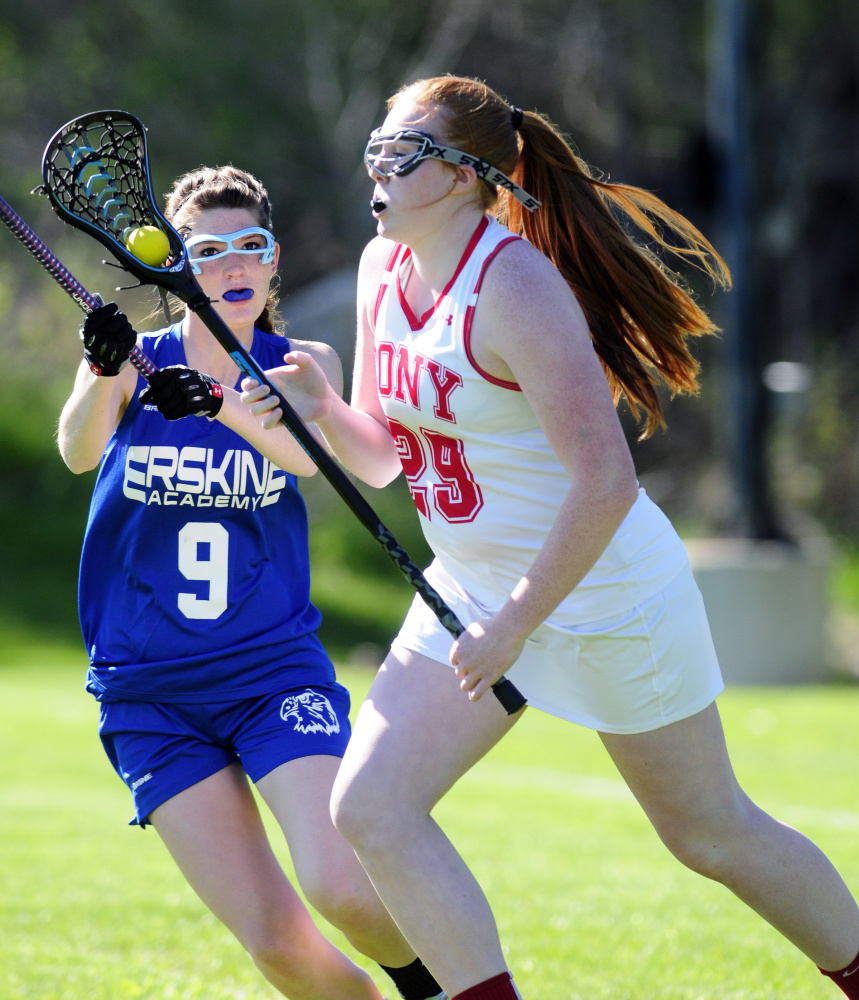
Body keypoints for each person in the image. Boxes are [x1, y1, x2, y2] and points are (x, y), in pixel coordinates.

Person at [240, 75, 859, 1000]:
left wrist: (518, 623)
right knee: (371, 808)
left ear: (460, 177)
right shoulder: (383, 268)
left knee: (708, 834)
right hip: (472, 588)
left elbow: (606, 483)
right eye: (379, 140)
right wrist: (322, 407)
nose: (378, 163)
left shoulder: (516, 285)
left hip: (603, 594)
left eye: (404, 149)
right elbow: (383, 460)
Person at [57, 164, 447, 1000]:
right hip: (148, 691)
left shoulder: (304, 361)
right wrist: (97, 376)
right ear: (176, 267)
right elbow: (78, 451)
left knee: (341, 888)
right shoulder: (137, 361)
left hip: (270, 671)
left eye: (250, 248)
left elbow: (309, 460)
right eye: (208, 252)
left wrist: (221, 404)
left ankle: (438, 986)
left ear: (273, 262)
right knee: (280, 948)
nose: (232, 267)